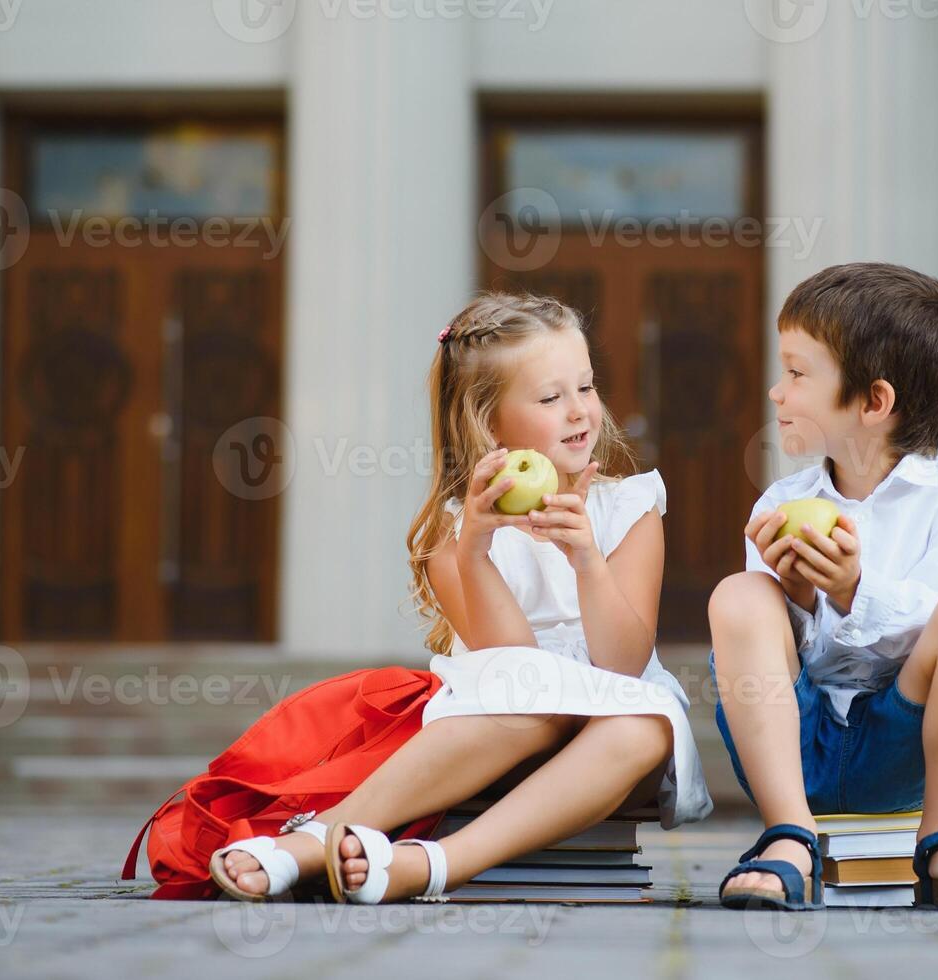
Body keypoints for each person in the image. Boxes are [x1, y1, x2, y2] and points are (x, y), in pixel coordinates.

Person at [210, 293, 710, 903]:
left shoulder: (629, 507)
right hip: (507, 728)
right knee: (530, 694)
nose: (580, 411)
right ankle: (319, 836)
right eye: (551, 398)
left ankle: (433, 866)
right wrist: (475, 550)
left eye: (586, 386)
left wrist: (586, 561)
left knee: (644, 725)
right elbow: (513, 667)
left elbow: (623, 667)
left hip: (607, 748)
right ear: (489, 423)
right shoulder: (454, 533)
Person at [711, 263, 938, 912]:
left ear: (873, 402)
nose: (777, 392)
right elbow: (772, 658)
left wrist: (859, 590)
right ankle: (788, 835)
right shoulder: (785, 501)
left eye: (798, 373)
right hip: (794, 747)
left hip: (902, 746)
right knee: (740, 595)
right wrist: (800, 601)